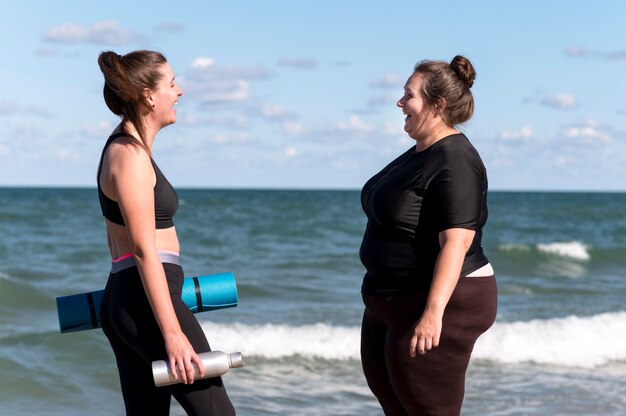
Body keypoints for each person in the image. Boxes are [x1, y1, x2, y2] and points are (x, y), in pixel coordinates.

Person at [96, 50, 235, 415]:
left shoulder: (128, 148)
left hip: (132, 299)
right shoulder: (129, 155)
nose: (180, 92)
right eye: (172, 83)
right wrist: (172, 334)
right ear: (148, 95)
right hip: (143, 301)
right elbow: (143, 251)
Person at [359, 55, 497, 415]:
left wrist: (434, 313)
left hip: (442, 303)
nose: (400, 102)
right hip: (393, 301)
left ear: (437, 105)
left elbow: (457, 241)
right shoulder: (420, 152)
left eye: (409, 96)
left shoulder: (455, 158)